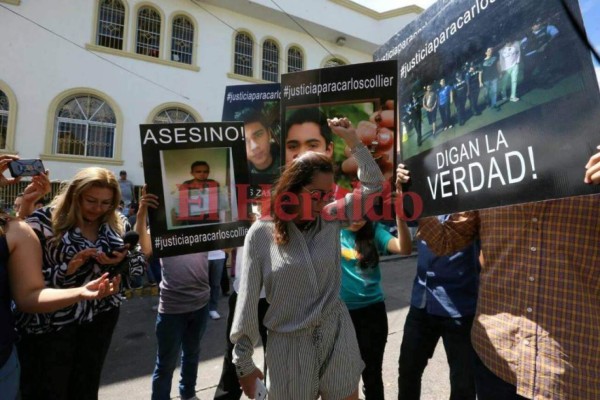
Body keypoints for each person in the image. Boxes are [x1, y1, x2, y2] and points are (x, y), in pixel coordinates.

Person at [397, 145, 600, 399]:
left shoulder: (590, 152)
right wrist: (414, 194)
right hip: (497, 360)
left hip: (573, 371)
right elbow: (445, 240)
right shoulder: (489, 173)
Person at [231, 117, 384, 399]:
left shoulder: (331, 217)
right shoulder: (260, 234)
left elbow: (374, 187)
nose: (324, 202)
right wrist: (243, 362)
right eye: (316, 195)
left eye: (328, 195)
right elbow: (247, 303)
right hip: (288, 349)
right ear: (292, 188)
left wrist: (353, 141)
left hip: (337, 335)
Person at [0, 155, 120, 400]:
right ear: (76, 194)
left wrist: (120, 261)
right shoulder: (42, 221)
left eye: (106, 203)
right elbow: (23, 280)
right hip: (48, 326)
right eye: (91, 200)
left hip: (98, 317)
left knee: (85, 388)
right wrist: (67, 271)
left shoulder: (116, 224)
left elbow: (138, 267)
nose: (98, 208)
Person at [396, 207, 479, 399]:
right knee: (408, 370)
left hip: (460, 307)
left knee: (463, 384)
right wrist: (402, 185)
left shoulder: (470, 204)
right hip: (422, 302)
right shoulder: (425, 197)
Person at [135, 189, 210, 400]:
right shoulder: (161, 232)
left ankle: (188, 393)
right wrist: (141, 212)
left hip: (201, 304)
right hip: (172, 309)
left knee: (192, 355)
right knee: (165, 363)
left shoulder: (203, 229)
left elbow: (230, 240)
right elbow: (144, 248)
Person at [340, 196, 412, 399]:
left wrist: (400, 218)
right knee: (345, 376)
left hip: (373, 314)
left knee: (372, 374)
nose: (356, 219)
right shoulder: (331, 233)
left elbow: (404, 249)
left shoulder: (374, 231)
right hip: (342, 315)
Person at [235, 107, 281, 182]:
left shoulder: (287, 161)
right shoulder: (241, 176)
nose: (254, 147)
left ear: (269, 134)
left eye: (258, 135)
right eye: (244, 141)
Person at [521, 18, 560, 90]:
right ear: (531, 27)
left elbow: (556, 33)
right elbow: (523, 47)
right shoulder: (527, 36)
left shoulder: (546, 29)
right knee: (529, 72)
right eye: (535, 24)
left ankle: (546, 82)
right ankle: (529, 84)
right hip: (531, 57)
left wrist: (546, 44)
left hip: (544, 54)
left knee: (543, 68)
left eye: (538, 23)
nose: (538, 25)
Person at [208, 250, 227, 320]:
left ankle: (213, 309)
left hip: (219, 255)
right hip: (202, 255)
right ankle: (201, 309)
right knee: (201, 284)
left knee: (216, 284)